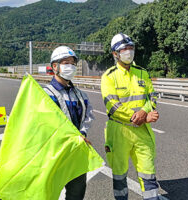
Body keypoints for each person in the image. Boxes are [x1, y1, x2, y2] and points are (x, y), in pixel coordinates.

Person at [101, 33, 160, 200]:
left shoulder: (142, 73)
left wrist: (144, 112)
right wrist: (139, 116)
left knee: (148, 174)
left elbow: (152, 96)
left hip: (142, 132)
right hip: (119, 132)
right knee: (120, 176)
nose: (129, 52)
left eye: (131, 48)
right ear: (115, 53)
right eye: (124, 49)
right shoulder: (109, 76)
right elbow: (112, 104)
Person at [44, 46, 94, 200]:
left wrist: (82, 133)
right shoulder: (45, 94)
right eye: (66, 63)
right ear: (55, 66)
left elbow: (88, 116)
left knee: (76, 194)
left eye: (73, 64)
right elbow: (44, 125)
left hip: (76, 154)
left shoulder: (80, 94)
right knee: (48, 194)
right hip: (54, 155)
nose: (70, 67)